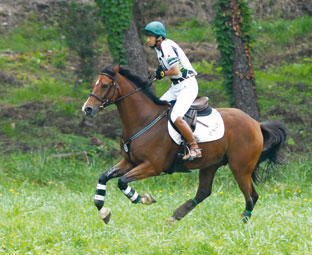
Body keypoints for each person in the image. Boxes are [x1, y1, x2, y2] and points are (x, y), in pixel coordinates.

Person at [144, 21, 202, 161]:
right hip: (176, 87)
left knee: (176, 116)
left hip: (187, 86)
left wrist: (162, 73)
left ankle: (194, 147)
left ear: (159, 37)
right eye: (147, 36)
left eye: (150, 36)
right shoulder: (159, 49)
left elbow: (175, 70)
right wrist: (161, 72)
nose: (148, 39)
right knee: (157, 110)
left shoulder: (166, 46)